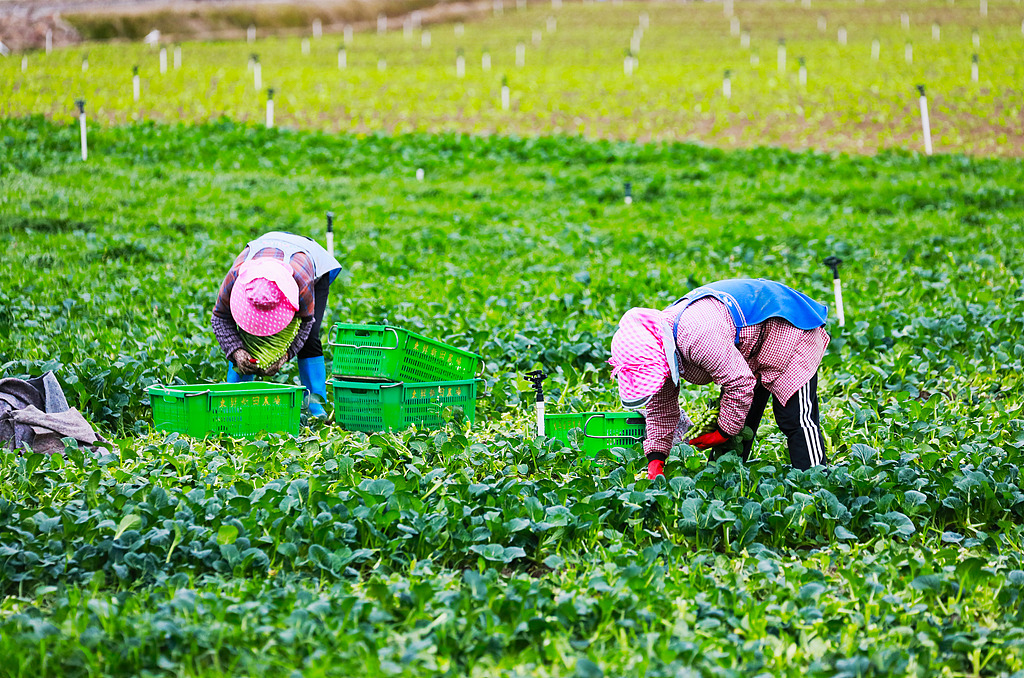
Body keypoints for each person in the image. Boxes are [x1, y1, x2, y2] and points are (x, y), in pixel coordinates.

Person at [609, 278, 830, 479]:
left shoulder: (694, 336)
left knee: (796, 419)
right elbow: (661, 406)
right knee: (738, 422)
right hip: (748, 347)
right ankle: (725, 484)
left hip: (789, 327)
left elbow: (740, 383)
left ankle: (817, 483)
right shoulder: (658, 343)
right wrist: (656, 457)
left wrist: (722, 432)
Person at [211, 231, 342, 418]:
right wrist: (236, 351)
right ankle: (234, 401)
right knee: (247, 340)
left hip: (312, 263)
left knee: (311, 338)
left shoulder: (302, 282)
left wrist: (284, 356)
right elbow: (220, 317)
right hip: (269, 250)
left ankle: (316, 410)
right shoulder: (235, 276)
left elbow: (305, 323)